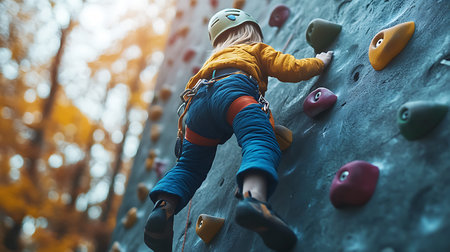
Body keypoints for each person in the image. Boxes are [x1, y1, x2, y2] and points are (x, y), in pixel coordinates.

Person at [144, 8, 333, 252]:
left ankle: (163, 209)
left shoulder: (210, 63)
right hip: (234, 94)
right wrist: (320, 61)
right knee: (259, 141)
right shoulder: (255, 49)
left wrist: (182, 137)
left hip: (197, 107)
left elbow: (187, 105)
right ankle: (253, 201)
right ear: (251, 32)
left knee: (188, 166)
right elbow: (291, 68)